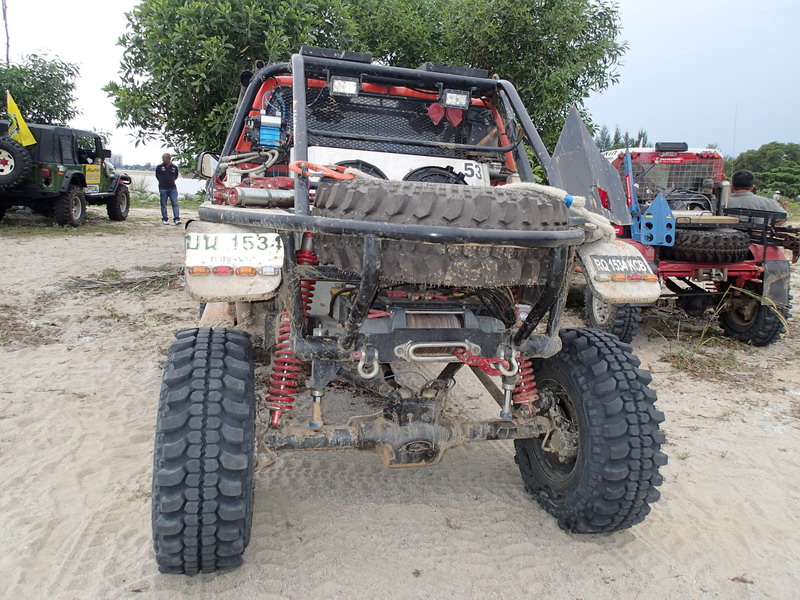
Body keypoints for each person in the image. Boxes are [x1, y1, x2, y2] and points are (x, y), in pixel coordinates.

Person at [155, 153, 180, 225]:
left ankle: (176, 219)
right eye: (163, 158)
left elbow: (176, 176)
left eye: (165, 158)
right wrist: (162, 181)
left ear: (169, 158)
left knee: (175, 204)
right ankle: (165, 219)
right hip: (163, 188)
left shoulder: (174, 167)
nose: (164, 160)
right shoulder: (159, 167)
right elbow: (157, 175)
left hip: (172, 188)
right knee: (163, 204)